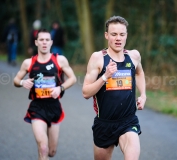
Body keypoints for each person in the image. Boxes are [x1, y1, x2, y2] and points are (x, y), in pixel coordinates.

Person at [82, 16, 146, 160]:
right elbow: (86, 92)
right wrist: (105, 77)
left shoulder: (134, 56)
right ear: (106, 35)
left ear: (126, 36)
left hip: (128, 121)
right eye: (114, 34)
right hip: (105, 123)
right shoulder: (98, 58)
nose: (118, 38)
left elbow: (140, 72)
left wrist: (143, 95)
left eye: (122, 34)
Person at [13, 29, 76, 160]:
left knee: (51, 152)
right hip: (37, 108)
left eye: (47, 40)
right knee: (43, 147)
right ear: (36, 42)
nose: (44, 43)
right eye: (41, 40)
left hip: (54, 107)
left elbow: (73, 78)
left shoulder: (60, 60)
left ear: (51, 42)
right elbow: (16, 80)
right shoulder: (28, 63)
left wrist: (60, 88)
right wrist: (22, 82)